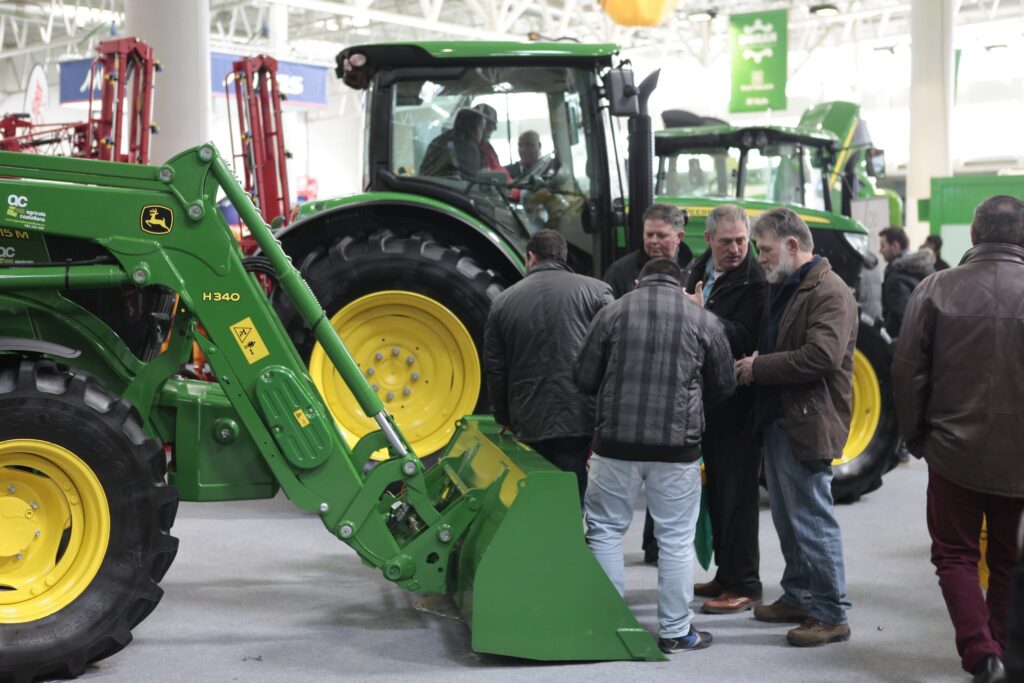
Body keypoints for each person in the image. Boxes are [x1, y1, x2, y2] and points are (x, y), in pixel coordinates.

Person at [891, 195, 1024, 683]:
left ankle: (981, 653)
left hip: (952, 452)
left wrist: (916, 437)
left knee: (955, 555)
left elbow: (907, 374)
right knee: (1009, 558)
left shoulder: (934, 289)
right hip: (1020, 460)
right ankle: (1002, 652)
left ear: (972, 235)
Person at [574, 256, 735, 654]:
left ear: (637, 281)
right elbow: (725, 384)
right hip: (678, 451)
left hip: (615, 447)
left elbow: (583, 377)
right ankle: (677, 632)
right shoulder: (704, 320)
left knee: (606, 532)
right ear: (680, 284)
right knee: (676, 540)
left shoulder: (612, 312)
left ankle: (607, 625)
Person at [735, 207, 856, 647]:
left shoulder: (829, 292)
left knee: (812, 519)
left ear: (791, 245)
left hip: (807, 421)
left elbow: (821, 357)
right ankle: (799, 594)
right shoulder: (789, 286)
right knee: (789, 518)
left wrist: (758, 367)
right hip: (784, 418)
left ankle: (830, 613)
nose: (759, 257)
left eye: (764, 249)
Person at [682, 205, 769, 615]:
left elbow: (745, 336)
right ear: (709, 241)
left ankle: (744, 583)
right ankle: (726, 573)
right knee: (717, 494)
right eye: (727, 242)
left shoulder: (756, 281)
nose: (736, 249)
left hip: (739, 405)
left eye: (741, 241)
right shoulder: (698, 268)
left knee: (738, 496)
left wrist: (701, 315)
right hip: (707, 402)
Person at [483, 229, 613, 501]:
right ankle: (570, 540)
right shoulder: (597, 292)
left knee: (536, 495)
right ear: (564, 256)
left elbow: (495, 367)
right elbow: (614, 353)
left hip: (528, 417)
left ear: (530, 256)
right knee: (572, 491)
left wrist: (503, 416)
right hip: (580, 414)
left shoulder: (503, 302)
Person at [603, 203, 693, 299]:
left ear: (679, 237)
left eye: (661, 235)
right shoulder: (620, 272)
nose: (653, 241)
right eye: (649, 235)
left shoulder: (694, 272)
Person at [879, 226, 935, 338]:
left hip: (906, 346)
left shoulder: (896, 278)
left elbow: (901, 321)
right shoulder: (929, 269)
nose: (880, 251)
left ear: (895, 246)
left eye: (883, 246)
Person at [418, 108, 486, 179]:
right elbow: (472, 178)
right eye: (482, 128)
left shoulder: (440, 140)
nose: (483, 133)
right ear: (474, 129)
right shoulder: (467, 146)